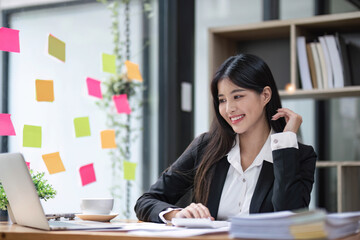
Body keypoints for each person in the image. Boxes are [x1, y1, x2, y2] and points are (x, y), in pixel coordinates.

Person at [134, 53, 317, 223]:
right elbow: (146, 201)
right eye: (222, 100)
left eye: (237, 96)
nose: (229, 109)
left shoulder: (299, 156)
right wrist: (177, 214)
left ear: (265, 95)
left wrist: (286, 142)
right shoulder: (206, 147)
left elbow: (290, 218)